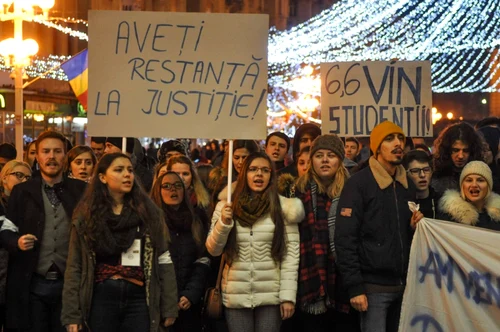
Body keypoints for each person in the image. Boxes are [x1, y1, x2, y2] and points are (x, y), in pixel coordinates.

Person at [61, 153, 178, 332]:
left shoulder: (148, 213)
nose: (127, 174)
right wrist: (71, 314)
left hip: (138, 298)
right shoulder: (86, 216)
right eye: (119, 170)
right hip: (101, 297)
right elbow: (75, 266)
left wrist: (169, 306)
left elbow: (164, 260)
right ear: (102, 177)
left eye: (130, 170)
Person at [335, 121, 423, 332]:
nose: (398, 144)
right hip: (373, 288)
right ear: (377, 147)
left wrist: (413, 228)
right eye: (389, 139)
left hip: (405, 287)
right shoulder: (359, 184)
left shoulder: (407, 185)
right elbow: (345, 239)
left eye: (400, 139)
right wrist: (355, 287)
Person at [206, 152, 304, 332]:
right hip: (236, 296)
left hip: (271, 297)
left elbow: (290, 256)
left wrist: (287, 296)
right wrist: (223, 224)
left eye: (265, 170)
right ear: (244, 174)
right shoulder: (226, 206)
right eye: (253, 169)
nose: (259, 174)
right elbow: (213, 250)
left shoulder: (284, 208)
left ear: (271, 176)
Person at [0, 131, 87, 332]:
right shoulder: (22, 191)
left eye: (57, 151)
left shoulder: (80, 190)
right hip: (32, 285)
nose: (51, 156)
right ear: (37, 156)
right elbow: (6, 231)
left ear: (65, 156)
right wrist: (17, 241)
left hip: (70, 287)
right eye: (46, 151)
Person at [293, 135, 352, 332]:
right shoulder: (297, 191)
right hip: (309, 275)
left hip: (342, 278)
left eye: (331, 155)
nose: (325, 160)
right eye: (319, 155)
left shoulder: (352, 192)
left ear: (340, 160)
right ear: (312, 161)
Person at [150, 171, 210, 331]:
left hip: (189, 302)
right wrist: (168, 299)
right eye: (167, 186)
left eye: (178, 186)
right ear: (158, 190)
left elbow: (202, 259)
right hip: (160, 302)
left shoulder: (196, 219)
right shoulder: (151, 222)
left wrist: (191, 293)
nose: (173, 190)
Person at [0, 160, 32, 331]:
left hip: (16, 280)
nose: (23, 180)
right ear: (4, 178)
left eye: (28, 177)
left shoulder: (31, 207)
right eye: (18, 175)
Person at [437, 161, 500, 230]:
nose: (474, 185)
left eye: (480, 180)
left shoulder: (497, 216)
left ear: (488, 186)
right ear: (462, 186)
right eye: (469, 180)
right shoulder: (447, 217)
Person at [432, 122, 484, 196]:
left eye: (466, 151)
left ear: (472, 151)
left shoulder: (482, 176)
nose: (460, 156)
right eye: (455, 150)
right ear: (447, 150)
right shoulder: (437, 180)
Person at [403, 150, 439, 218]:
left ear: (431, 172)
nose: (422, 175)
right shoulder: (401, 204)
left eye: (426, 170)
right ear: (406, 174)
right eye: (415, 171)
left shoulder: (441, 204)